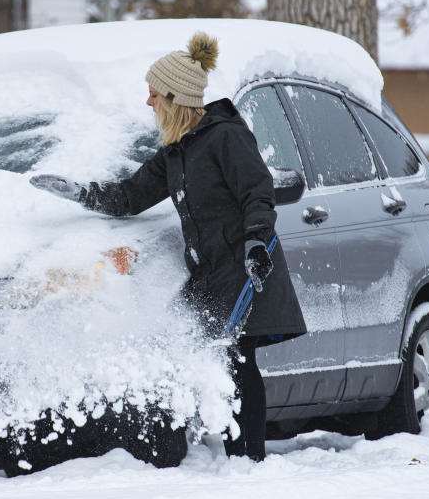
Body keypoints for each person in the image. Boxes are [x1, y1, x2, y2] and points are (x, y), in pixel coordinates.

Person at [28, 32, 306, 462]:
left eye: (153, 94)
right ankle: (213, 450)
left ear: (174, 98)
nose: (148, 102)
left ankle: (248, 458)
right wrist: (81, 192)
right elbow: (129, 196)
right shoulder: (176, 152)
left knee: (238, 361)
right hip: (208, 274)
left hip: (244, 267)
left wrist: (255, 242)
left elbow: (258, 191)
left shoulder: (227, 137)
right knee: (192, 349)